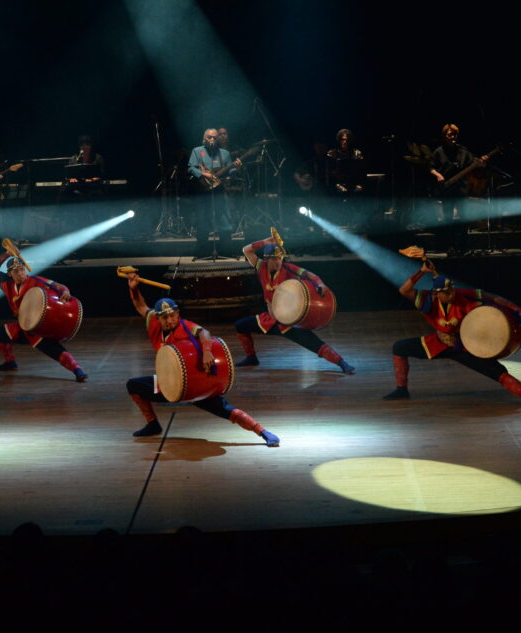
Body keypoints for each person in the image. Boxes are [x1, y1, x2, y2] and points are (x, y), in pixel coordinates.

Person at [125, 275, 279, 446]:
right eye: (164, 318)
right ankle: (153, 424)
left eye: (172, 316)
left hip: (194, 385)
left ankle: (262, 431)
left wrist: (206, 352)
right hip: (168, 384)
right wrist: (133, 288)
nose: (169, 320)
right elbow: (141, 306)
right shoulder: (153, 322)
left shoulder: (185, 326)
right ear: (158, 318)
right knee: (134, 385)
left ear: (178, 313)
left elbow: (204, 333)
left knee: (226, 410)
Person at [382, 262, 521, 408]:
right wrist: (422, 271)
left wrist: (515, 308)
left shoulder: (463, 294)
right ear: (437, 294)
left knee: (498, 372)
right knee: (400, 347)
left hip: (466, 346)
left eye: (452, 290)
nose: (451, 294)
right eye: (447, 292)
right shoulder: (428, 300)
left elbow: (494, 297)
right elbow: (404, 290)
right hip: (440, 342)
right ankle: (402, 389)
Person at [234, 237, 355, 373]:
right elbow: (246, 250)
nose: (278, 262)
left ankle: (342, 363)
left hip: (288, 321)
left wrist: (320, 284)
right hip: (269, 319)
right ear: (267, 259)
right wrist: (265, 242)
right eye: (274, 259)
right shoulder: (260, 266)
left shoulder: (288, 268)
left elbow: (309, 275)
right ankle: (251, 358)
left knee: (314, 343)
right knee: (241, 325)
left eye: (280, 258)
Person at [0, 251, 87, 381]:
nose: (20, 273)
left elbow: (60, 286)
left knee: (54, 350)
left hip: (37, 329)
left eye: (22, 270)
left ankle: (77, 370)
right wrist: (7, 254)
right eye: (16, 271)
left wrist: (66, 292)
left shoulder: (36, 281)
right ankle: (10, 362)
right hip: (23, 326)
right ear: (10, 274)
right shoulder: (6, 284)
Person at [428, 123, 488, 252]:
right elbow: (431, 167)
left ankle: (462, 247)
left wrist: (482, 163)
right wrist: (438, 175)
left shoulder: (463, 151)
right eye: (449, 135)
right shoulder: (438, 151)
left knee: (463, 218)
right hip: (446, 189)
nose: (452, 137)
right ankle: (448, 246)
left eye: (454, 134)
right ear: (444, 136)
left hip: (461, 189)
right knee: (448, 218)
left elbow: (475, 163)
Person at [188, 128, 242, 258]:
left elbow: (230, 171)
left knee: (224, 219)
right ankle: (201, 252)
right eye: (209, 137)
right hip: (203, 190)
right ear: (204, 139)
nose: (212, 139)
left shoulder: (224, 153)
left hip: (219, 190)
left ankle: (226, 250)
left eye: (214, 137)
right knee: (203, 219)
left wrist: (237, 168)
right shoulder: (197, 151)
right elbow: (191, 168)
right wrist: (204, 174)